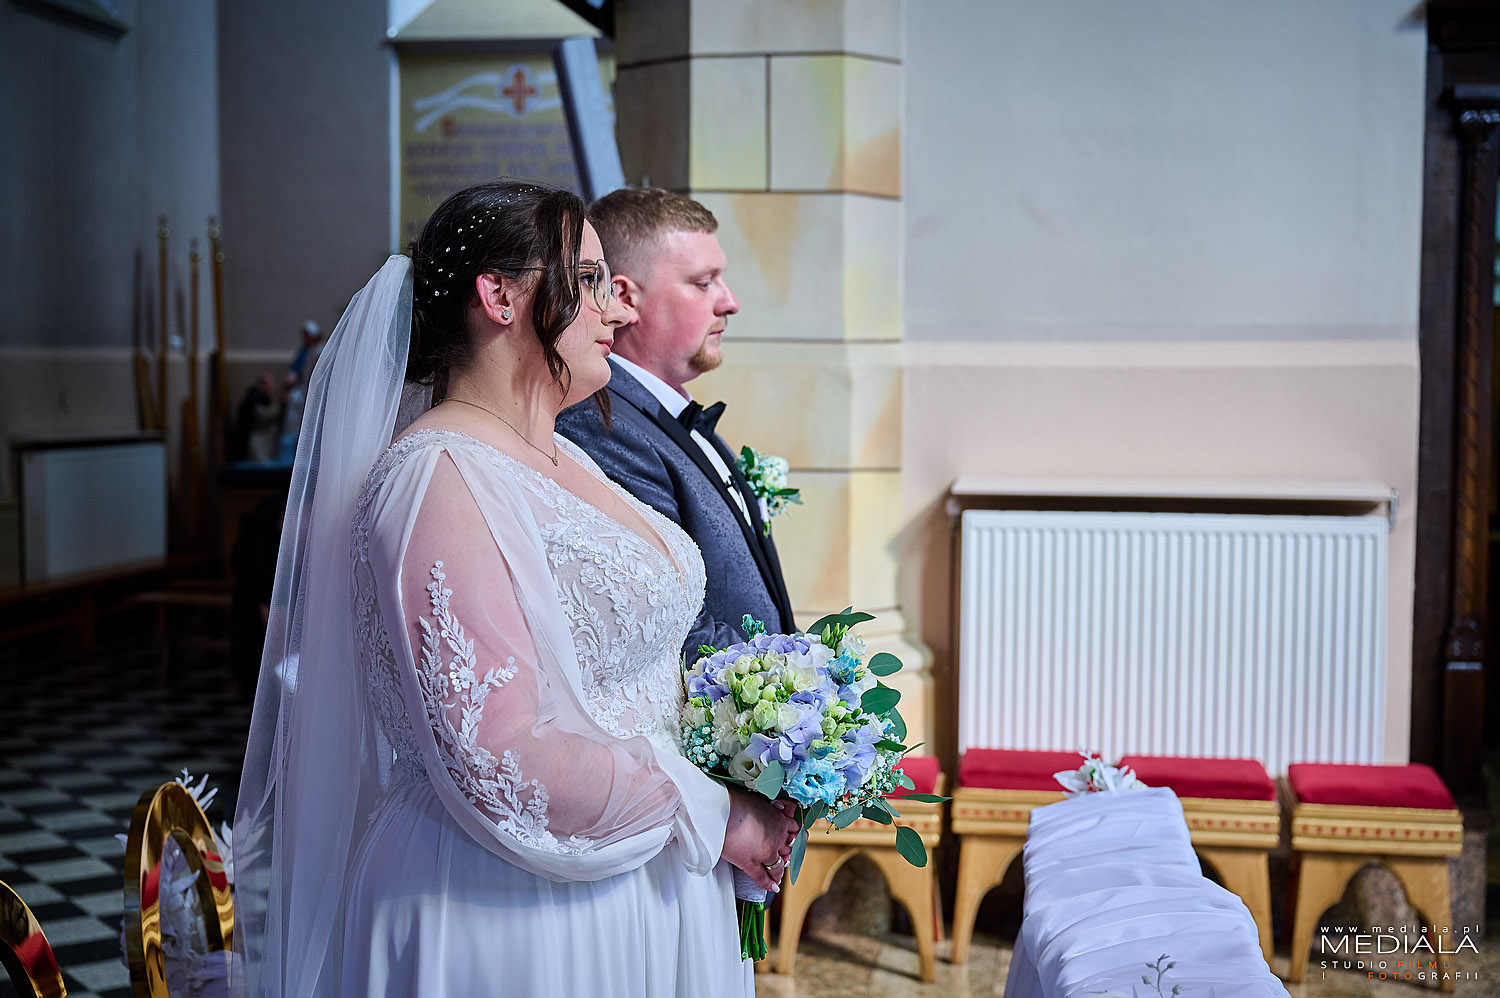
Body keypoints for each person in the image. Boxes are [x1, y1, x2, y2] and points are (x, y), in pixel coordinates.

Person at [232, 181, 799, 997]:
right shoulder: (436, 477)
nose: (616, 308)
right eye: (590, 281)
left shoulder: (568, 456)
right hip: (511, 904)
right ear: (498, 296)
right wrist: (713, 812)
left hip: (640, 877)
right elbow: (501, 755)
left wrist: (751, 744)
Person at [556, 188, 796, 659]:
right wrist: (794, 682)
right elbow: (670, 620)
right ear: (625, 297)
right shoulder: (602, 427)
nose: (730, 302)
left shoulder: (670, 411)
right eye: (703, 283)